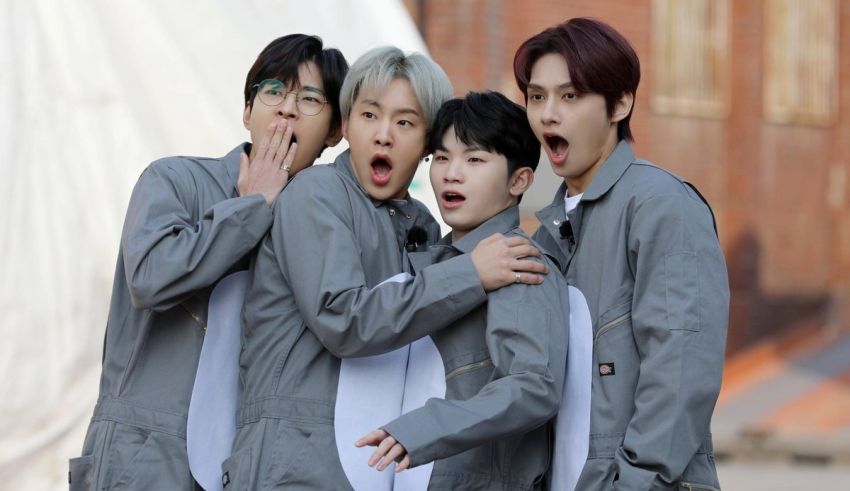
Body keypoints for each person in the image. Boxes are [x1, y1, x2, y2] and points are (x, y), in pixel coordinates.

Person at [225, 47, 548, 490]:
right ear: (346, 127)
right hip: (292, 462)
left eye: (405, 122)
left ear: (425, 143)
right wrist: (470, 274)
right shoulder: (316, 195)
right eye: (369, 116)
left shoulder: (426, 226)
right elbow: (343, 318)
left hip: (371, 465)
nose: (384, 136)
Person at [68, 34, 348, 490]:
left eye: (310, 98)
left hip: (248, 465)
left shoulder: (327, 226)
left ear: (335, 131)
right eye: (274, 91)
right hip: (146, 458)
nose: (287, 108)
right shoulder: (174, 179)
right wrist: (251, 205)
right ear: (246, 111)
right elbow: (151, 278)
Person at [514, 17, 730, 491]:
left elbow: (680, 370)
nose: (548, 114)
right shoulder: (548, 232)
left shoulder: (660, 205)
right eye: (536, 97)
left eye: (570, 96)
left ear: (620, 103)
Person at [356, 90, 570, 490]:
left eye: (474, 159)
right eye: (441, 157)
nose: (451, 173)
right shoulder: (442, 261)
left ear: (519, 180)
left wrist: (423, 428)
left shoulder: (518, 262)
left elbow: (534, 387)